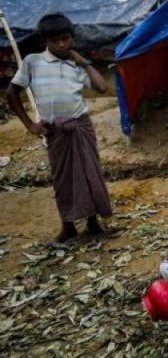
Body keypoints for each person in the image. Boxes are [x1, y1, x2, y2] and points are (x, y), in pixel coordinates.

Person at [6, 13, 112, 242]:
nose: (62, 44)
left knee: (89, 174)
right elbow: (12, 93)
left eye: (66, 39)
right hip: (56, 131)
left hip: (81, 127)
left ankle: (93, 223)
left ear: (72, 38)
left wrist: (83, 62)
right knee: (62, 179)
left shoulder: (76, 67)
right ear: (46, 42)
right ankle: (69, 225)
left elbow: (102, 87)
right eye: (56, 41)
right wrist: (30, 125)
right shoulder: (33, 62)